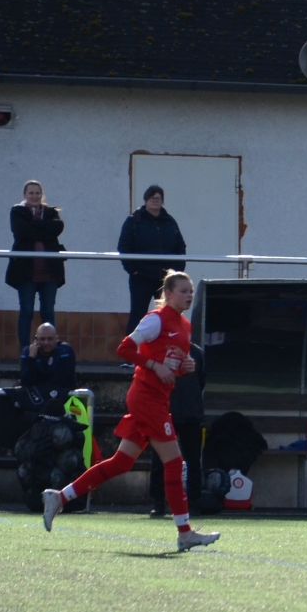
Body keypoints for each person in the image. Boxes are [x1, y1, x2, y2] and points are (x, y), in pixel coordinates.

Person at [41, 271, 219, 552]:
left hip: (158, 399)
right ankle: (185, 532)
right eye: (183, 291)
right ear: (168, 294)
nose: (189, 296)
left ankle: (59, 497)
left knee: (121, 462)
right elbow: (124, 348)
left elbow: (169, 362)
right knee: (174, 463)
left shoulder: (184, 325)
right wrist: (152, 366)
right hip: (146, 398)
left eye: (191, 292)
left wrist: (183, 368)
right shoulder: (155, 319)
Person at [7, 180, 65, 347]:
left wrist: (33, 226)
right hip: (26, 272)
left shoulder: (51, 212)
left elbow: (58, 228)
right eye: (31, 193)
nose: (34, 196)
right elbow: (21, 231)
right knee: (26, 311)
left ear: (42, 194)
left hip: (50, 272)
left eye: (37, 193)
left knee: (48, 312)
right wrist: (44, 230)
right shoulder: (17, 211)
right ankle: (25, 351)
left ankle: (50, 349)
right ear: (25, 195)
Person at [152, 340, 206, 519]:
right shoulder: (162, 351)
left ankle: (191, 502)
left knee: (190, 460)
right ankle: (160, 501)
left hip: (188, 413)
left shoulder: (196, 353)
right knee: (162, 459)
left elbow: (201, 381)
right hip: (169, 412)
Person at [116, 185, 186, 322]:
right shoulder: (134, 221)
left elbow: (180, 247)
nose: (155, 201)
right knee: (138, 316)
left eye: (158, 198)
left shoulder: (170, 222)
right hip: (142, 278)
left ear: (163, 201)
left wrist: (177, 271)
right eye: (152, 198)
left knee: (167, 316)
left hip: (166, 279)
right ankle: (132, 344)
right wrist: (133, 270)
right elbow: (123, 247)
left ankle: (167, 343)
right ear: (145, 200)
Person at [18, 322, 77, 400]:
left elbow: (63, 381)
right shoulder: (27, 352)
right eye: (42, 339)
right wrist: (31, 358)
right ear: (36, 339)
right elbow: (26, 383)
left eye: (50, 339)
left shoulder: (65, 351)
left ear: (56, 339)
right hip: (36, 398)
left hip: (61, 397)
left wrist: (39, 384)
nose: (46, 342)